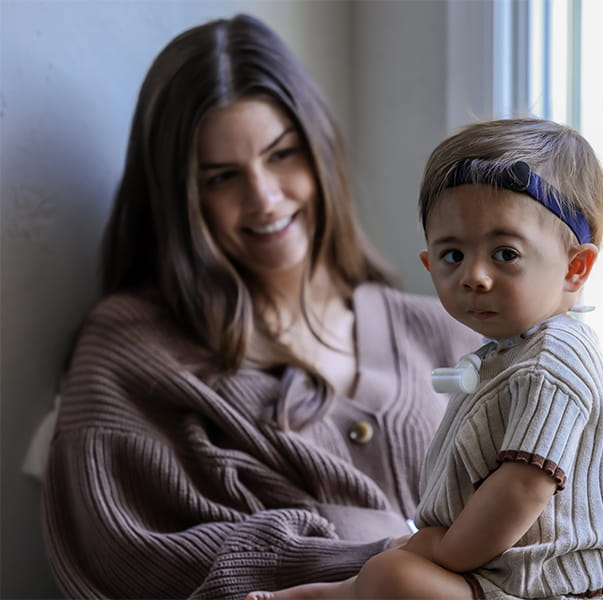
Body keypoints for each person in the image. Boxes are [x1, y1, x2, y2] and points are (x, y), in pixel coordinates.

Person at [41, 13, 480, 599]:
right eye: (223, 177)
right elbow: (133, 556)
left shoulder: (448, 330)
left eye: (282, 155)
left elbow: (572, 511)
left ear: (321, 151)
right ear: (180, 198)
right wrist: (380, 554)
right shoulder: (132, 352)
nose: (264, 197)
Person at [247, 119, 603, 600]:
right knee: (400, 560)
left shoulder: (554, 359)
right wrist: (430, 544)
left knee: (397, 574)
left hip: (572, 588)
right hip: (516, 571)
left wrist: (443, 553)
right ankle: (333, 592)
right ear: (429, 263)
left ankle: (332, 595)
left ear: (576, 268)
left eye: (505, 253)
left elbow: (523, 488)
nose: (475, 276)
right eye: (453, 256)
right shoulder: (506, 354)